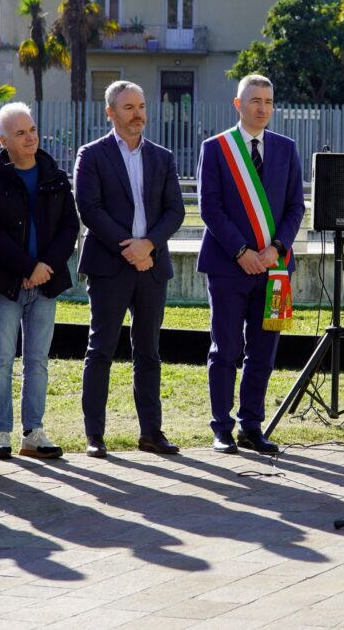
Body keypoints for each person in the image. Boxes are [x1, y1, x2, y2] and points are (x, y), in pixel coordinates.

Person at [74, 82, 186, 458]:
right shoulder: (92, 155)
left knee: (149, 352)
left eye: (140, 106)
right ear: (110, 113)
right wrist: (130, 248)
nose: (137, 114)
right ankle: (95, 436)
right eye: (128, 108)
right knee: (101, 349)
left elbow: (175, 210)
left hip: (152, 266)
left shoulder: (162, 156)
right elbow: (90, 209)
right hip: (110, 265)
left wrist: (148, 245)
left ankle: (151, 433)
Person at [196, 74, 304, 455]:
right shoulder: (217, 148)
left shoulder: (286, 148)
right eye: (255, 100)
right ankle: (222, 428)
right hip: (228, 268)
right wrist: (242, 251)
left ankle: (251, 425)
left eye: (269, 101)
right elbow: (210, 206)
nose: (262, 108)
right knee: (225, 348)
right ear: (237, 104)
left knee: (264, 349)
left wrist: (276, 248)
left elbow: (296, 207)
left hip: (276, 271)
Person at [0, 102, 79, 460]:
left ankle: (33, 431)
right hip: (5, 284)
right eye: (20, 133)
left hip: (46, 283)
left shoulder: (55, 176)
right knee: (1, 360)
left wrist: (45, 266)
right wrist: (26, 267)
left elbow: (70, 228)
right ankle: (1, 433)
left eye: (32, 129)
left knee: (38, 360)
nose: (30, 136)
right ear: (4, 140)